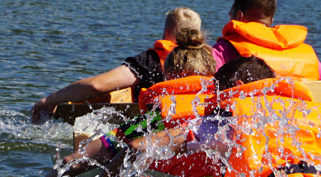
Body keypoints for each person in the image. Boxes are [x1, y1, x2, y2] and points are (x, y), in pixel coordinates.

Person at [13, 27, 217, 177]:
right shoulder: (222, 119)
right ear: (211, 75)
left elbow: (73, 161)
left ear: (167, 76)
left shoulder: (151, 122)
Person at [129, 57, 321, 177]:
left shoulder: (230, 120)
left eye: (220, 95)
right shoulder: (314, 117)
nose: (217, 104)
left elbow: (142, 146)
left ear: (238, 87)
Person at [30, 7, 202, 123]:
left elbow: (96, 86)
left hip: (154, 128)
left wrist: (50, 99)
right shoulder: (209, 62)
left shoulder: (151, 61)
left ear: (166, 32)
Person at [213, 0, 321, 81]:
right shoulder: (305, 52)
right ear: (271, 20)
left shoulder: (226, 48)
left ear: (239, 16)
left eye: (230, 15)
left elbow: (207, 84)